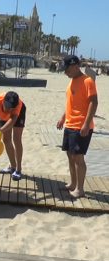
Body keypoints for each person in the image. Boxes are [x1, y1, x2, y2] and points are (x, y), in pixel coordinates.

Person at [57, 55, 98, 198]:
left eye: (67, 69)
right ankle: (73, 184)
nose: (65, 72)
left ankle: (80, 189)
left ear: (75, 66)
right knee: (70, 155)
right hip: (70, 124)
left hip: (81, 125)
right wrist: (63, 118)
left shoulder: (87, 81)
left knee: (78, 158)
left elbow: (94, 102)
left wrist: (87, 124)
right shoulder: (71, 82)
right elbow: (71, 103)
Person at [0, 91, 26, 181]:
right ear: (3, 101)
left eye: (11, 108)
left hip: (19, 114)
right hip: (2, 115)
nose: (9, 110)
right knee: (6, 140)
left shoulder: (17, 105)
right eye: (7, 107)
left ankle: (18, 169)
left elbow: (12, 121)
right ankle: (12, 167)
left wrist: (0, 130)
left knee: (16, 139)